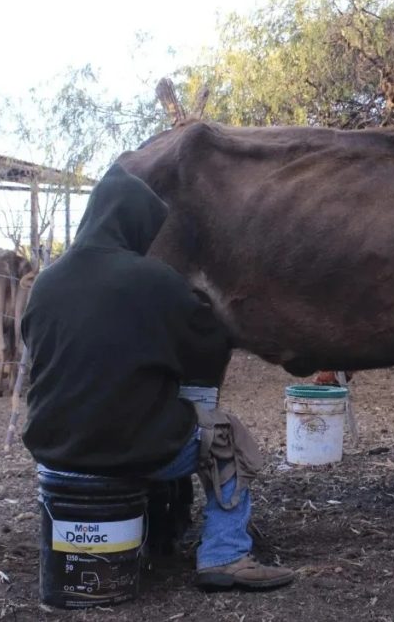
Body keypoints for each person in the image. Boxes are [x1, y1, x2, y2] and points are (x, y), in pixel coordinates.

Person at [21, 164, 294, 591]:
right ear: (133, 226)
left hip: (54, 456)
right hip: (128, 450)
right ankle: (226, 555)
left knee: (137, 419)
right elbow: (207, 339)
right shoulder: (154, 279)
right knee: (224, 436)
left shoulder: (46, 282)